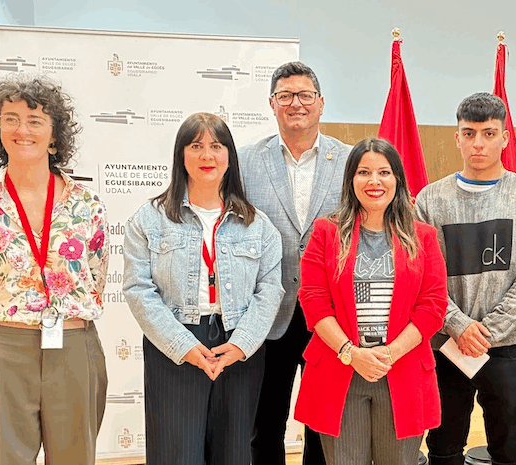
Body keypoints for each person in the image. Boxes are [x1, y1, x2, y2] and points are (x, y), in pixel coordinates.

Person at [0, 75, 109, 464]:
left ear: (54, 134)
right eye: (11, 119)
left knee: (75, 459)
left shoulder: (87, 204)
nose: (22, 130)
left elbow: (95, 278)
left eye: (35, 120)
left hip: (74, 348)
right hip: (0, 351)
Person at [122, 113, 284, 464]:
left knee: (234, 453)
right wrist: (182, 345)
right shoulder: (150, 218)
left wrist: (242, 344)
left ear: (229, 156)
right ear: (181, 154)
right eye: (196, 146)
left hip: (238, 346)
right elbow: (138, 288)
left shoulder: (258, 225)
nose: (207, 155)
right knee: (175, 454)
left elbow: (270, 289)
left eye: (216, 146)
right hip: (175, 345)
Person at [416, 92, 516, 465]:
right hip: (445, 345)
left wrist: (485, 331)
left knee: (509, 449)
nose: (478, 143)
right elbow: (423, 276)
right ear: (457, 137)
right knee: (443, 447)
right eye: (469, 133)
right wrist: (458, 325)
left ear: (504, 138)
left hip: (508, 346)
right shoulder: (429, 200)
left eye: (489, 133)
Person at [294, 138, 447, 464]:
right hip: (341, 371)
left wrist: (388, 354)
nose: (374, 181)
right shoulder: (325, 232)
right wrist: (351, 353)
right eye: (364, 172)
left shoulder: (423, 236)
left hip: (402, 371)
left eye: (384, 172)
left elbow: (433, 306)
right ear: (351, 180)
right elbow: (313, 299)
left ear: (397, 179)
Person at [238, 61, 350, 465]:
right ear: (272, 103)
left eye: (305, 95)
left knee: (324, 423)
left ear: (321, 102)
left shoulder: (351, 161)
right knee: (264, 422)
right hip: (267, 312)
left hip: (331, 315)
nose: (296, 104)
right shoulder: (244, 161)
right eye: (285, 96)